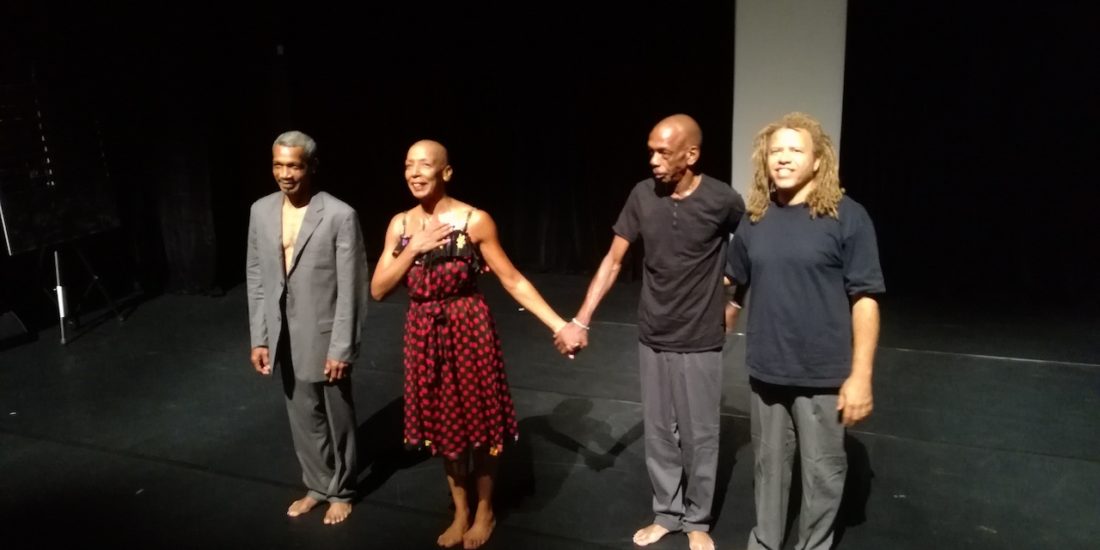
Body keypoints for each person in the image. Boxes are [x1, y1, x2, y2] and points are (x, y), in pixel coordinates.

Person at [553, 114, 745, 550]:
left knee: (700, 434)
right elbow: (613, 260)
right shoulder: (642, 194)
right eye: (651, 152)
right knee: (659, 431)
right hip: (654, 331)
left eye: (663, 152)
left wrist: (735, 301)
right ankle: (667, 513)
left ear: (690, 155)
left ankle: (697, 518)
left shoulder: (722, 199)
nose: (654, 160)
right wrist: (581, 319)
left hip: (700, 336)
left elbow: (753, 248)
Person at [370, 139, 570, 549]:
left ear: (445, 172)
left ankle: (484, 510)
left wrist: (559, 324)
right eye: (408, 165)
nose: (414, 173)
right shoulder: (401, 225)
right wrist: (414, 249)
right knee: (443, 423)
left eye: (425, 165)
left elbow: (512, 279)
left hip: (468, 332)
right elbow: (378, 289)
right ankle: (460, 510)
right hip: (423, 334)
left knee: (481, 421)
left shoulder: (474, 221)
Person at [725, 112, 884, 550]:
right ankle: (765, 543)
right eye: (775, 150)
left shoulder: (846, 216)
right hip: (766, 370)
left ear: (817, 161)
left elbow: (865, 299)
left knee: (822, 473)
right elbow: (732, 279)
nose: (783, 158)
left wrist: (861, 375)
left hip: (822, 373)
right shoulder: (755, 218)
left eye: (795, 150)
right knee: (769, 469)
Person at [246, 130, 369, 525]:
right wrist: (260, 337)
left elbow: (352, 287)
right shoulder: (261, 210)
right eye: (278, 165)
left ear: (311, 167)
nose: (285, 174)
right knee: (302, 414)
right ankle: (317, 485)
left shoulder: (339, 215)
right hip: (283, 331)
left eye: (294, 166)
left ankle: (342, 489)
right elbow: (257, 276)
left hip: (325, 332)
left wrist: (342, 347)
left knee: (337, 415)